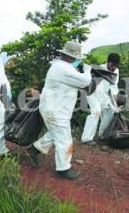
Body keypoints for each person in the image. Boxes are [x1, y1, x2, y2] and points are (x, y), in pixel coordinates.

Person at [26, 41, 92, 180]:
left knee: (54, 133)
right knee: (64, 139)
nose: (78, 60)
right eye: (77, 58)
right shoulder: (64, 69)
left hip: (54, 108)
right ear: (71, 57)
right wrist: (87, 71)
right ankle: (63, 169)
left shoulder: (60, 66)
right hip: (55, 110)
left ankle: (34, 150)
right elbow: (85, 82)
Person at [81, 53, 120, 146]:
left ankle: (102, 135)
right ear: (108, 62)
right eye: (112, 65)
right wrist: (109, 103)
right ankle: (86, 139)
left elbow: (114, 87)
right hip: (93, 93)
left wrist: (114, 104)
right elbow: (100, 90)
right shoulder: (99, 70)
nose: (113, 67)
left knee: (110, 113)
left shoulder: (116, 70)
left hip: (104, 94)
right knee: (96, 112)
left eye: (116, 65)